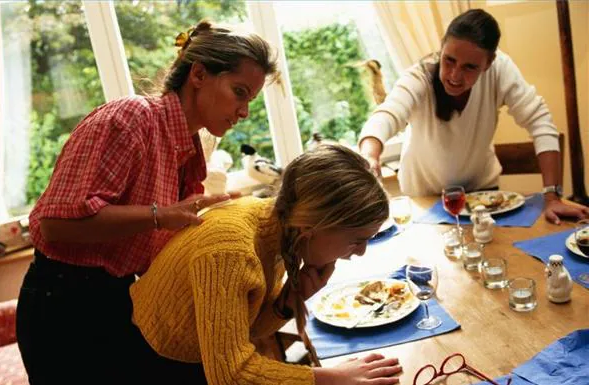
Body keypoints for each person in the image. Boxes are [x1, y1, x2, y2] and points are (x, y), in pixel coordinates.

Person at [16, 20, 278, 385]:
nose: (244, 111)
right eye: (239, 92)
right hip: (64, 309)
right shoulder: (130, 118)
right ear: (199, 74)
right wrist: (160, 216)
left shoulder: (187, 150)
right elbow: (54, 224)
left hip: (117, 299)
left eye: (249, 99)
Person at [127, 144, 402, 385]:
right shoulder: (230, 251)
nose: (361, 252)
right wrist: (333, 378)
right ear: (313, 226)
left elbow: (246, 328)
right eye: (356, 240)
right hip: (155, 366)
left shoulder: (279, 227)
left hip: (194, 360)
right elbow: (231, 374)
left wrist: (289, 302)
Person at [359, 9, 589, 224]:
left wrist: (553, 197)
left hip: (485, 199)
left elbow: (540, 122)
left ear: (488, 64)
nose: (454, 76)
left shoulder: (501, 69)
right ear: (441, 49)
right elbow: (388, 114)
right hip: (424, 202)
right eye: (449, 60)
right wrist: (370, 156)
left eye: (469, 67)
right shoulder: (420, 76)